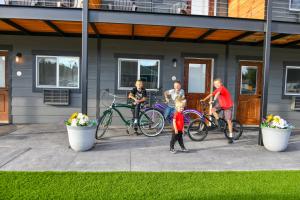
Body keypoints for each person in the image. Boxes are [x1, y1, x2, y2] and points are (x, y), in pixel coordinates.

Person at [201, 78, 234, 144]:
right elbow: (211, 94)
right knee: (212, 110)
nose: (216, 85)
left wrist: (213, 100)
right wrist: (204, 99)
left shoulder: (222, 88)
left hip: (227, 106)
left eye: (217, 83)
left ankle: (231, 137)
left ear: (221, 83)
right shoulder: (217, 89)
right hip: (221, 104)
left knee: (229, 121)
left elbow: (217, 94)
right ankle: (220, 123)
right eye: (215, 84)